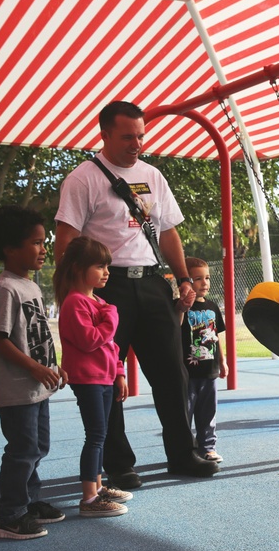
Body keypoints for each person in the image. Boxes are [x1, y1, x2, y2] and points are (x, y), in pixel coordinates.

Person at [55, 100, 218, 490]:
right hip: (106, 287)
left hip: (151, 282)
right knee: (107, 377)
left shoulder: (152, 175)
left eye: (141, 135)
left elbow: (168, 232)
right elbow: (66, 239)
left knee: (172, 372)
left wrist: (182, 278)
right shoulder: (83, 179)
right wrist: (74, 294)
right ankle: (118, 464)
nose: (137, 143)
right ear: (105, 134)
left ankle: (183, 453)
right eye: (128, 136)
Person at [0, 205, 68, 540]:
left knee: (37, 446)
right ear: (10, 248)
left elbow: (36, 336)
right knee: (23, 449)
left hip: (36, 387)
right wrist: (34, 367)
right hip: (17, 389)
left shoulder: (29, 286)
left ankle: (29, 502)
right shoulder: (5, 289)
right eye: (35, 242)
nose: (44, 248)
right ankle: (9, 515)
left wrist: (51, 366)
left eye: (43, 241)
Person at [54, 236, 132, 518]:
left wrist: (119, 373)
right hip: (87, 379)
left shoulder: (97, 300)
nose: (107, 272)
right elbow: (90, 340)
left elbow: (112, 347)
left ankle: (97, 488)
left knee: (101, 434)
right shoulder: (75, 303)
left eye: (107, 266)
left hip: (105, 377)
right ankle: (89, 498)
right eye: (100, 266)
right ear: (77, 268)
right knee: (95, 436)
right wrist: (111, 317)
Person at [181, 257, 227, 463]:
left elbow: (216, 337)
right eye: (197, 278)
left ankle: (208, 447)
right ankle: (185, 449)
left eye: (207, 278)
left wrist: (223, 361)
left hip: (210, 371)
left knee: (208, 413)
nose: (204, 283)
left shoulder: (213, 307)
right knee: (185, 414)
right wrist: (182, 306)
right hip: (188, 373)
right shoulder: (181, 308)